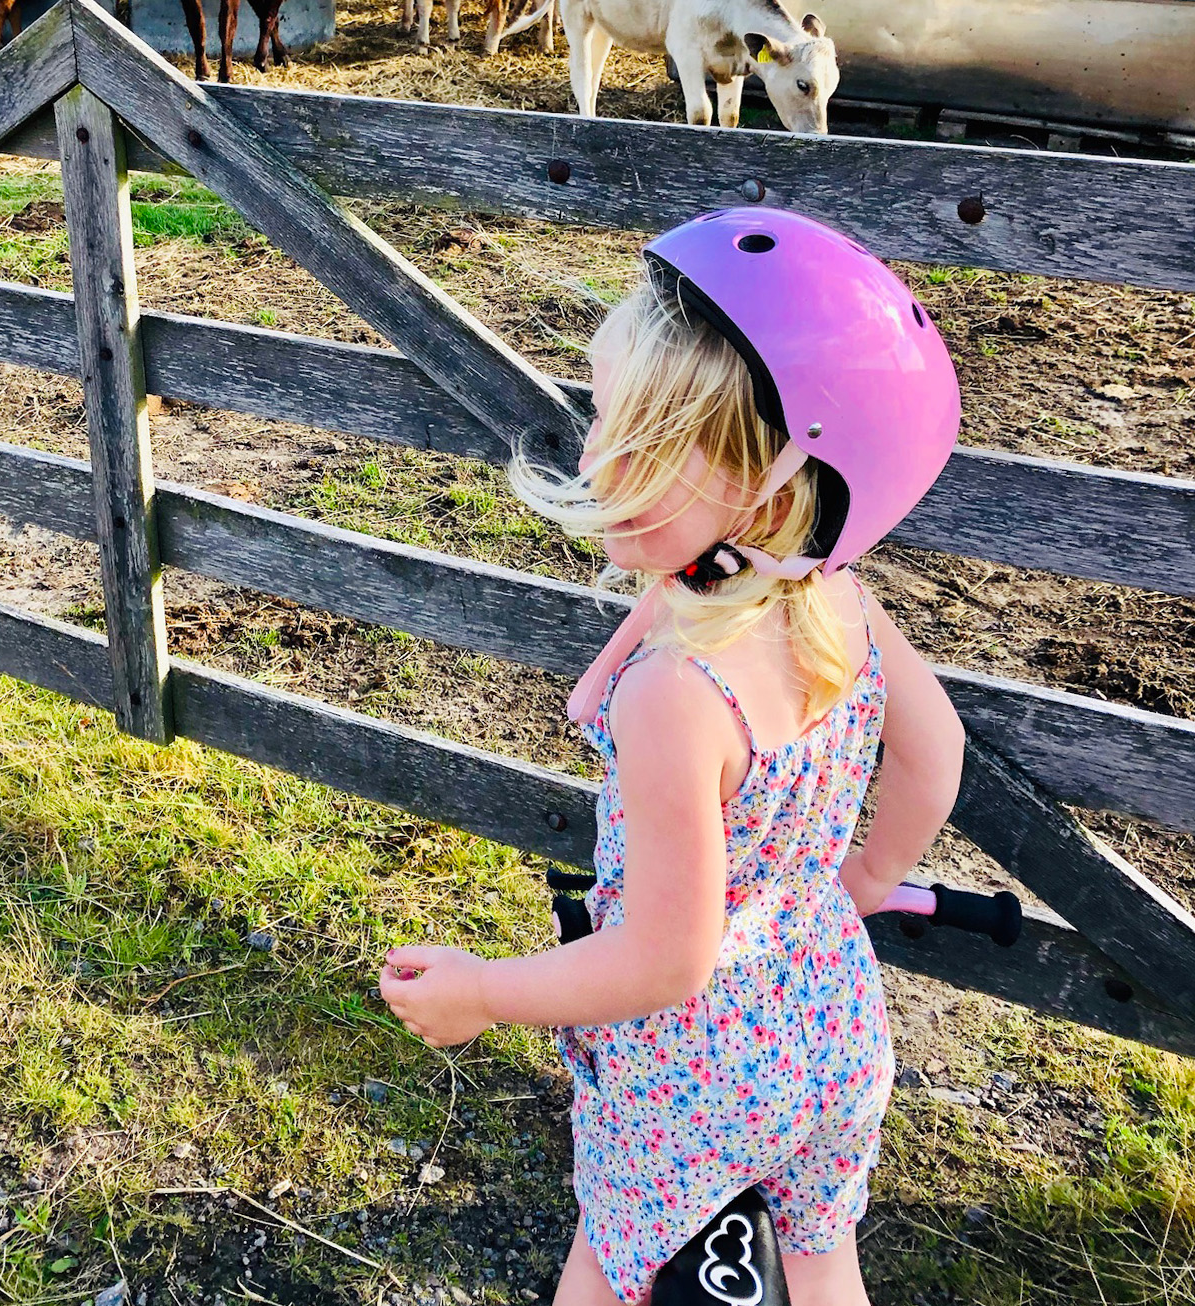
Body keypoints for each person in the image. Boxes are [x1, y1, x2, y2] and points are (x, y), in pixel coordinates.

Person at [381, 208, 967, 1306]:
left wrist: (483, 992)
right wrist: (861, 881)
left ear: (765, 490)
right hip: (832, 1018)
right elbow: (935, 751)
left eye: (636, 440)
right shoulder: (830, 592)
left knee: (611, 1263)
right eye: (604, 413)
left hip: (689, 1070)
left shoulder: (676, 700)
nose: (593, 455)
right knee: (820, 1252)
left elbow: (663, 959)